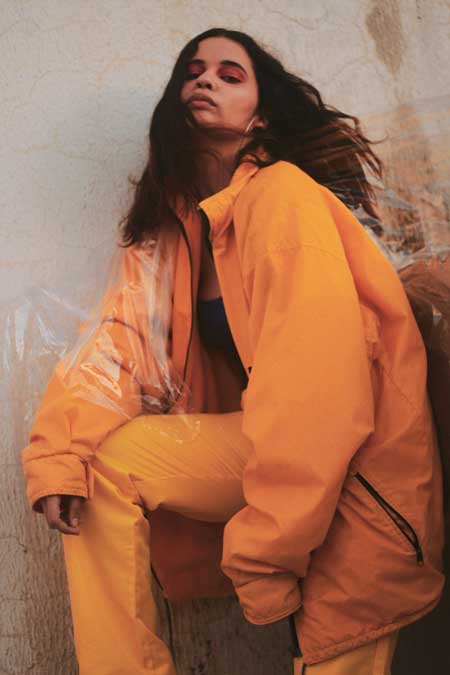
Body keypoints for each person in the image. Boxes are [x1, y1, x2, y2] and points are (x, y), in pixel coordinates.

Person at [22, 28, 445, 675]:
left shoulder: (282, 198)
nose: (205, 79)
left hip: (360, 475)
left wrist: (263, 559)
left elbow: (319, 397)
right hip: (280, 446)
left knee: (336, 639)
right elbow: (116, 345)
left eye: (229, 73)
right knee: (102, 464)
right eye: (193, 70)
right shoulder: (173, 231)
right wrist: (58, 452)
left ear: (262, 113)